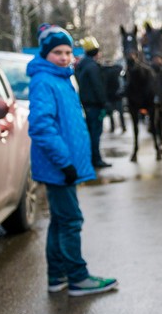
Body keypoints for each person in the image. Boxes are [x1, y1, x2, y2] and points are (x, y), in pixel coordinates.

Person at [27, 25, 118, 296]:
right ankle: (78, 277)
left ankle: (57, 276)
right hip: (58, 166)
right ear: (45, 53)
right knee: (71, 220)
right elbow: (41, 126)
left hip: (60, 165)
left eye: (68, 52)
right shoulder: (45, 80)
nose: (64, 57)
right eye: (57, 52)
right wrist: (65, 162)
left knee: (59, 220)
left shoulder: (60, 77)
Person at [75, 36, 111, 168]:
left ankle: (92, 159)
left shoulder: (81, 66)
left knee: (91, 133)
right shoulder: (92, 67)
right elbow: (98, 87)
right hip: (95, 105)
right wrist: (104, 103)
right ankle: (96, 160)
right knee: (95, 134)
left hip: (87, 104)